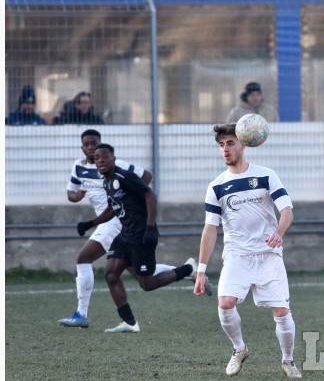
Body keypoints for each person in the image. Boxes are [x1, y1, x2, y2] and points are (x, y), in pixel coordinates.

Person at [57, 130, 212, 328]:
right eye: (96, 156)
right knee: (114, 273)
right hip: (122, 232)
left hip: (135, 231)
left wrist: (147, 222)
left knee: (144, 282)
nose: (99, 158)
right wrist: (90, 223)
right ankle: (129, 322)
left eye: (102, 154)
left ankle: (188, 269)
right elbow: (112, 206)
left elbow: (150, 194)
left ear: (113, 157)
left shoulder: (122, 175)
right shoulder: (105, 179)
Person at [193, 123, 302, 378]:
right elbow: (210, 229)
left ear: (244, 143)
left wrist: (279, 233)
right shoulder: (216, 186)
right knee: (225, 303)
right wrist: (201, 270)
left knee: (282, 311)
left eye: (230, 143)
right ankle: (239, 349)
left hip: (268, 254)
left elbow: (287, 211)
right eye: (221, 145)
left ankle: (288, 360)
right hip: (237, 255)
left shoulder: (266, 175)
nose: (225, 149)